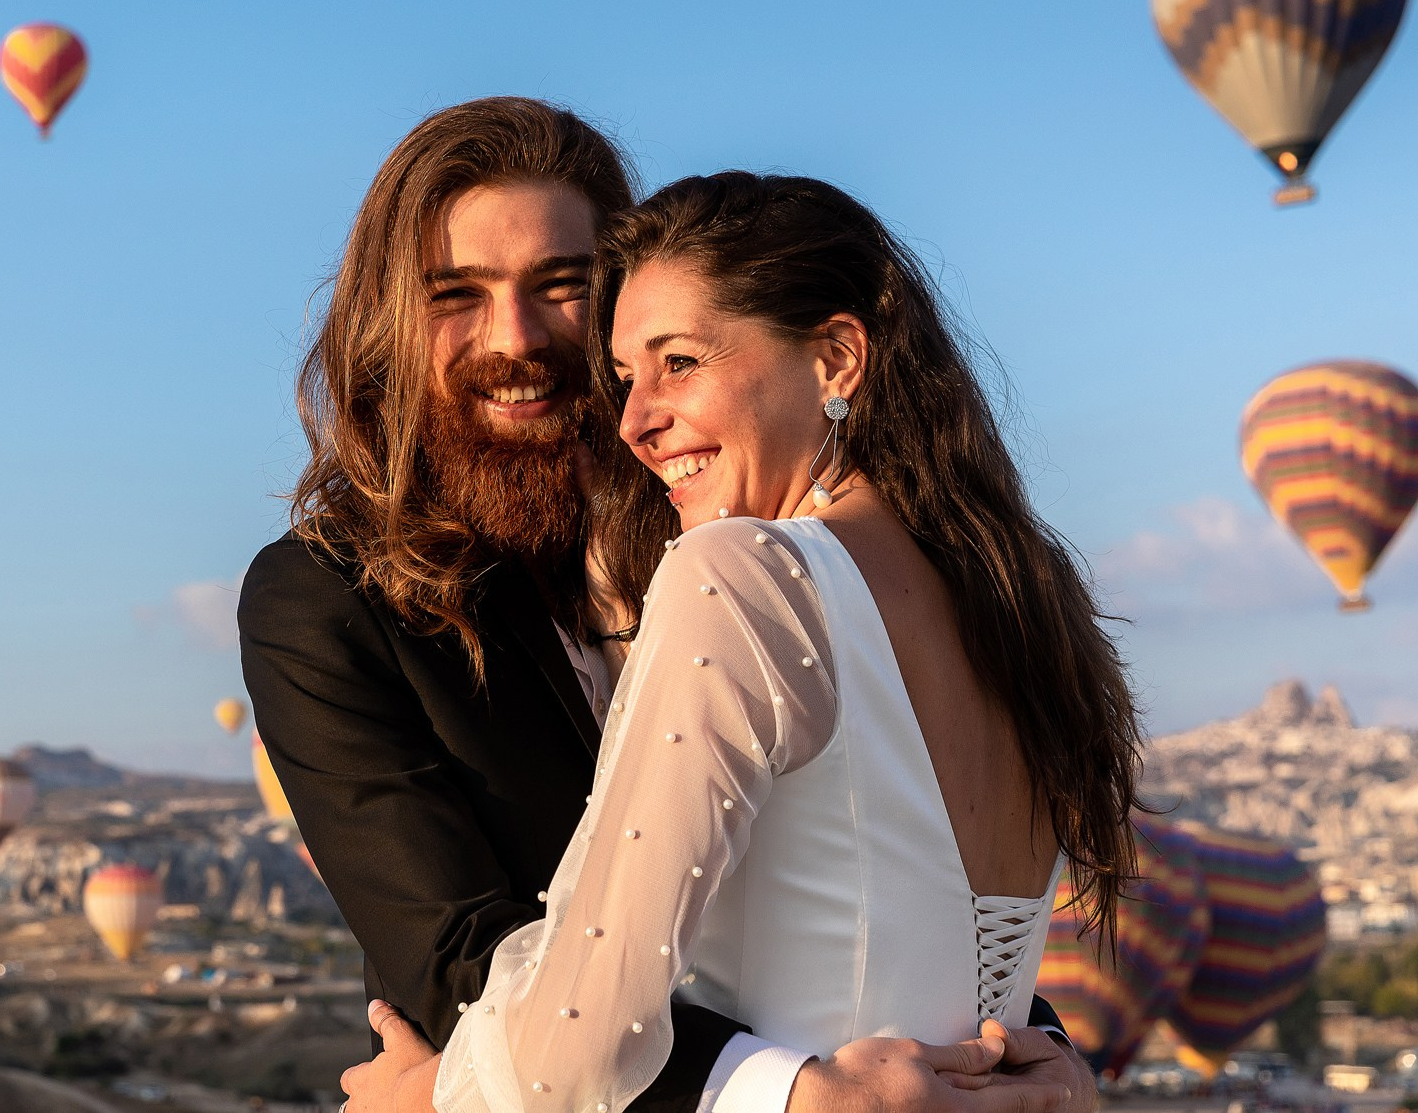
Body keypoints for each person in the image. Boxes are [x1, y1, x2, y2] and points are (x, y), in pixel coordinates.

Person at [238, 100, 1104, 1113]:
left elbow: (573, 1045)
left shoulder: (728, 560)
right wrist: (1000, 1063)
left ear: (834, 359)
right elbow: (457, 956)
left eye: (563, 287)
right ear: (386, 320)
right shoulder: (1016, 577)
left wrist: (438, 1101)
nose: (516, 339)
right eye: (456, 293)